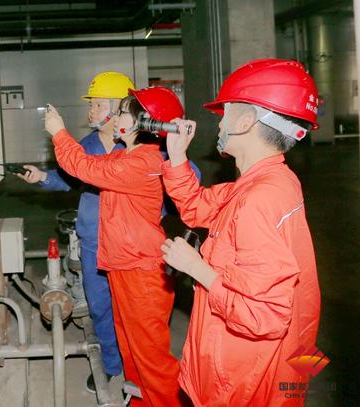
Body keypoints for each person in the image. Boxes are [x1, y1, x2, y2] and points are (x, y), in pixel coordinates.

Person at [160, 58, 321, 406]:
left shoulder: (257, 200)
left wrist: (196, 268)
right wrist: (176, 157)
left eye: (227, 113)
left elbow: (264, 315)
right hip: (272, 362)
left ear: (247, 121)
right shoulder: (271, 180)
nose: (220, 122)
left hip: (242, 375)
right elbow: (198, 206)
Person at [44, 87, 188, 407]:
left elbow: (84, 167)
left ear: (145, 123)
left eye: (122, 112)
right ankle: (140, 402)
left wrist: (59, 132)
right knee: (131, 350)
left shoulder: (142, 162)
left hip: (142, 273)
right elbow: (86, 166)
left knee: (151, 360)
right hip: (123, 266)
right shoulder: (126, 156)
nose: (116, 117)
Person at [18, 71, 134, 391]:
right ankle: (111, 365)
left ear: (119, 108)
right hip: (94, 239)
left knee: (132, 308)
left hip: (130, 243)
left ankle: (136, 366)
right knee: (100, 306)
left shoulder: (140, 146)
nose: (90, 112)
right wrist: (42, 177)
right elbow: (69, 176)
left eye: (98, 105)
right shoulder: (89, 144)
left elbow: (178, 177)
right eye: (91, 105)